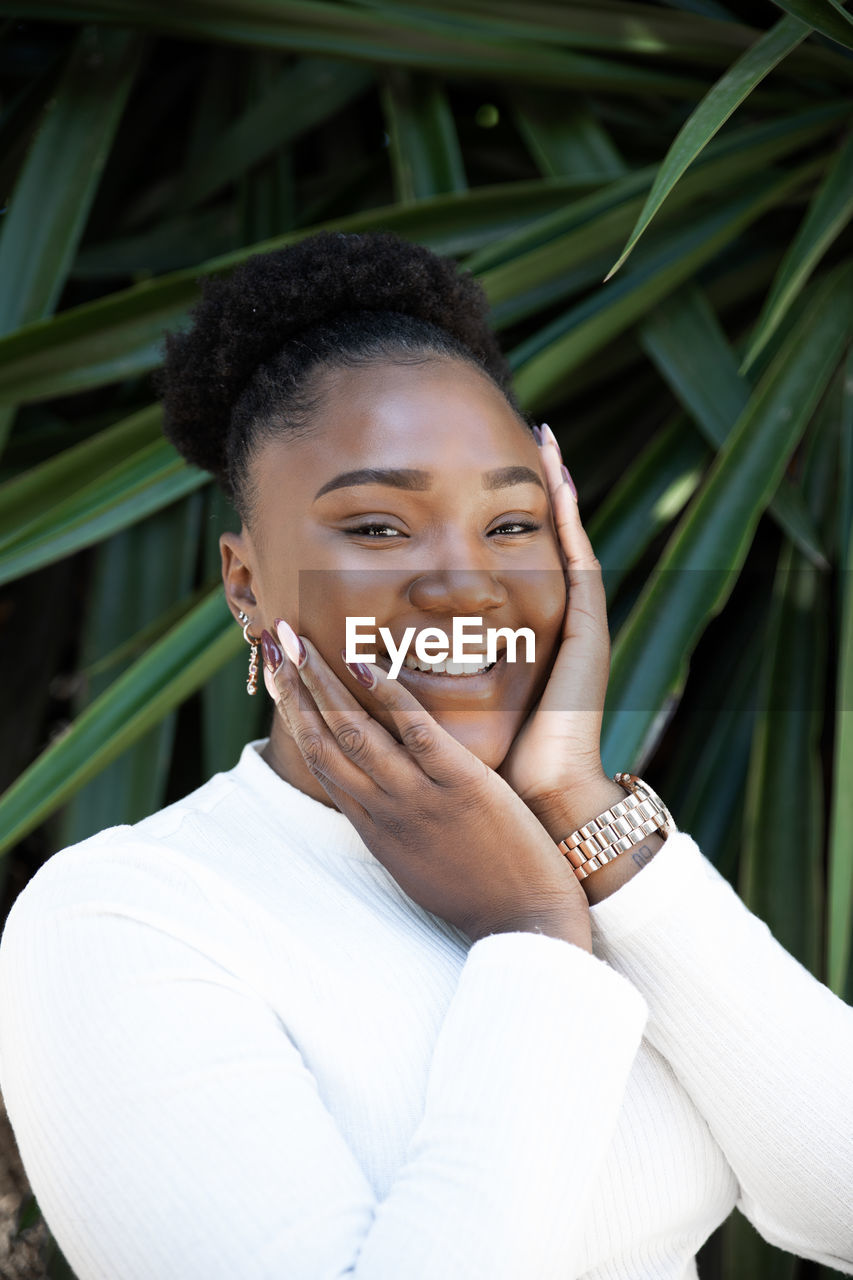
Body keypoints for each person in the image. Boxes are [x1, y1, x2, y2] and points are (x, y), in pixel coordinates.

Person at [0, 230, 851, 1280]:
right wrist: (532, 932)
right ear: (246, 581)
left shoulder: (596, 858)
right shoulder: (125, 913)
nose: (464, 584)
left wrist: (586, 811)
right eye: (379, 526)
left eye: (509, 523)